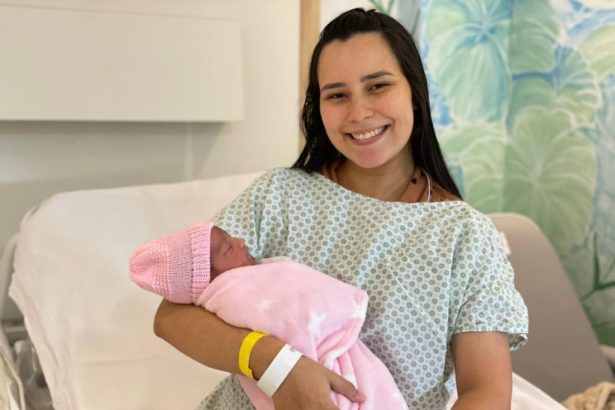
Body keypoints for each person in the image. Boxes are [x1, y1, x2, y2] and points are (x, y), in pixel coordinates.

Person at [152, 8, 528, 410]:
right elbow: (171, 317)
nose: (359, 113)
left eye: (378, 86)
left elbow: (485, 392)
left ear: (414, 92)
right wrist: (276, 366)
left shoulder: (465, 236)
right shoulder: (278, 197)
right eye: (337, 95)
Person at [129, 222, 407, 409]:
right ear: (206, 277)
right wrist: (281, 366)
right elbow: (167, 319)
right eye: (228, 248)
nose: (240, 241)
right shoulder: (228, 292)